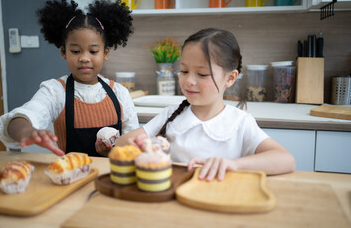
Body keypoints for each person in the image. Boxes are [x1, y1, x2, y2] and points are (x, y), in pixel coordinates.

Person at [116, 28, 296, 181]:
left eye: (202, 74)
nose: (189, 81)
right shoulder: (169, 116)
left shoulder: (240, 122)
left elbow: (285, 159)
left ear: (230, 78)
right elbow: (121, 144)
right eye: (184, 71)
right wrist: (141, 147)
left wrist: (232, 164)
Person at [0, 0, 139, 157]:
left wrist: (116, 150)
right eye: (75, 51)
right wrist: (27, 131)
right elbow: (19, 119)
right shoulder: (55, 91)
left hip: (113, 176)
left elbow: (133, 141)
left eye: (93, 51)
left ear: (105, 53)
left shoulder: (120, 93)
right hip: (72, 177)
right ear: (64, 52)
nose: (84, 58)